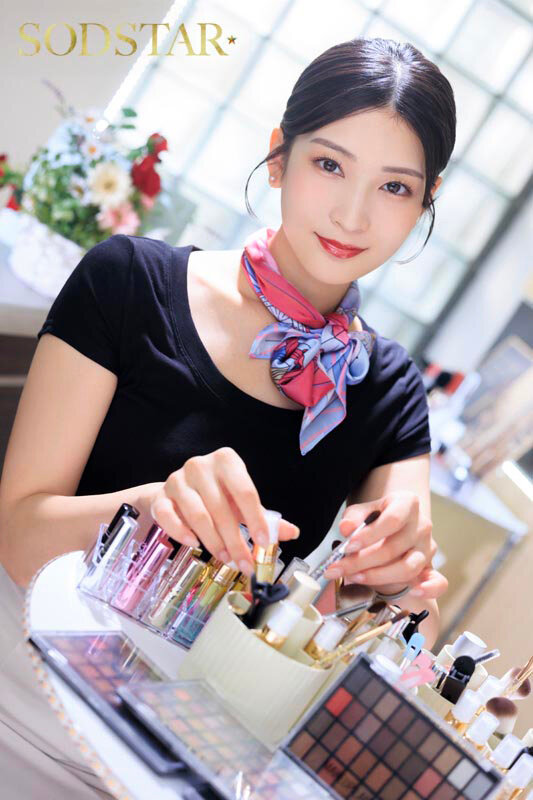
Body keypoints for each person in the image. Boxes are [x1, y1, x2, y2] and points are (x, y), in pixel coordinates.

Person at [0, 35, 454, 797]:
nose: (351, 214)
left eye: (393, 187)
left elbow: (399, 644)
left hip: (182, 758)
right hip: (23, 696)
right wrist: (149, 511)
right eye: (329, 164)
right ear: (278, 155)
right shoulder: (129, 282)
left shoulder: (389, 388)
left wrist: (393, 586)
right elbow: (16, 535)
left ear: (425, 200)